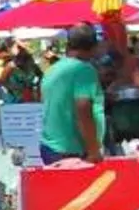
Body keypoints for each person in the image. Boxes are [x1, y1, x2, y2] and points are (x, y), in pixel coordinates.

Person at [40, 24, 106, 163]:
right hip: (72, 151)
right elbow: (83, 108)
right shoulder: (84, 70)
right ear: (93, 47)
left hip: (50, 146)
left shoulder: (52, 70)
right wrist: (93, 151)